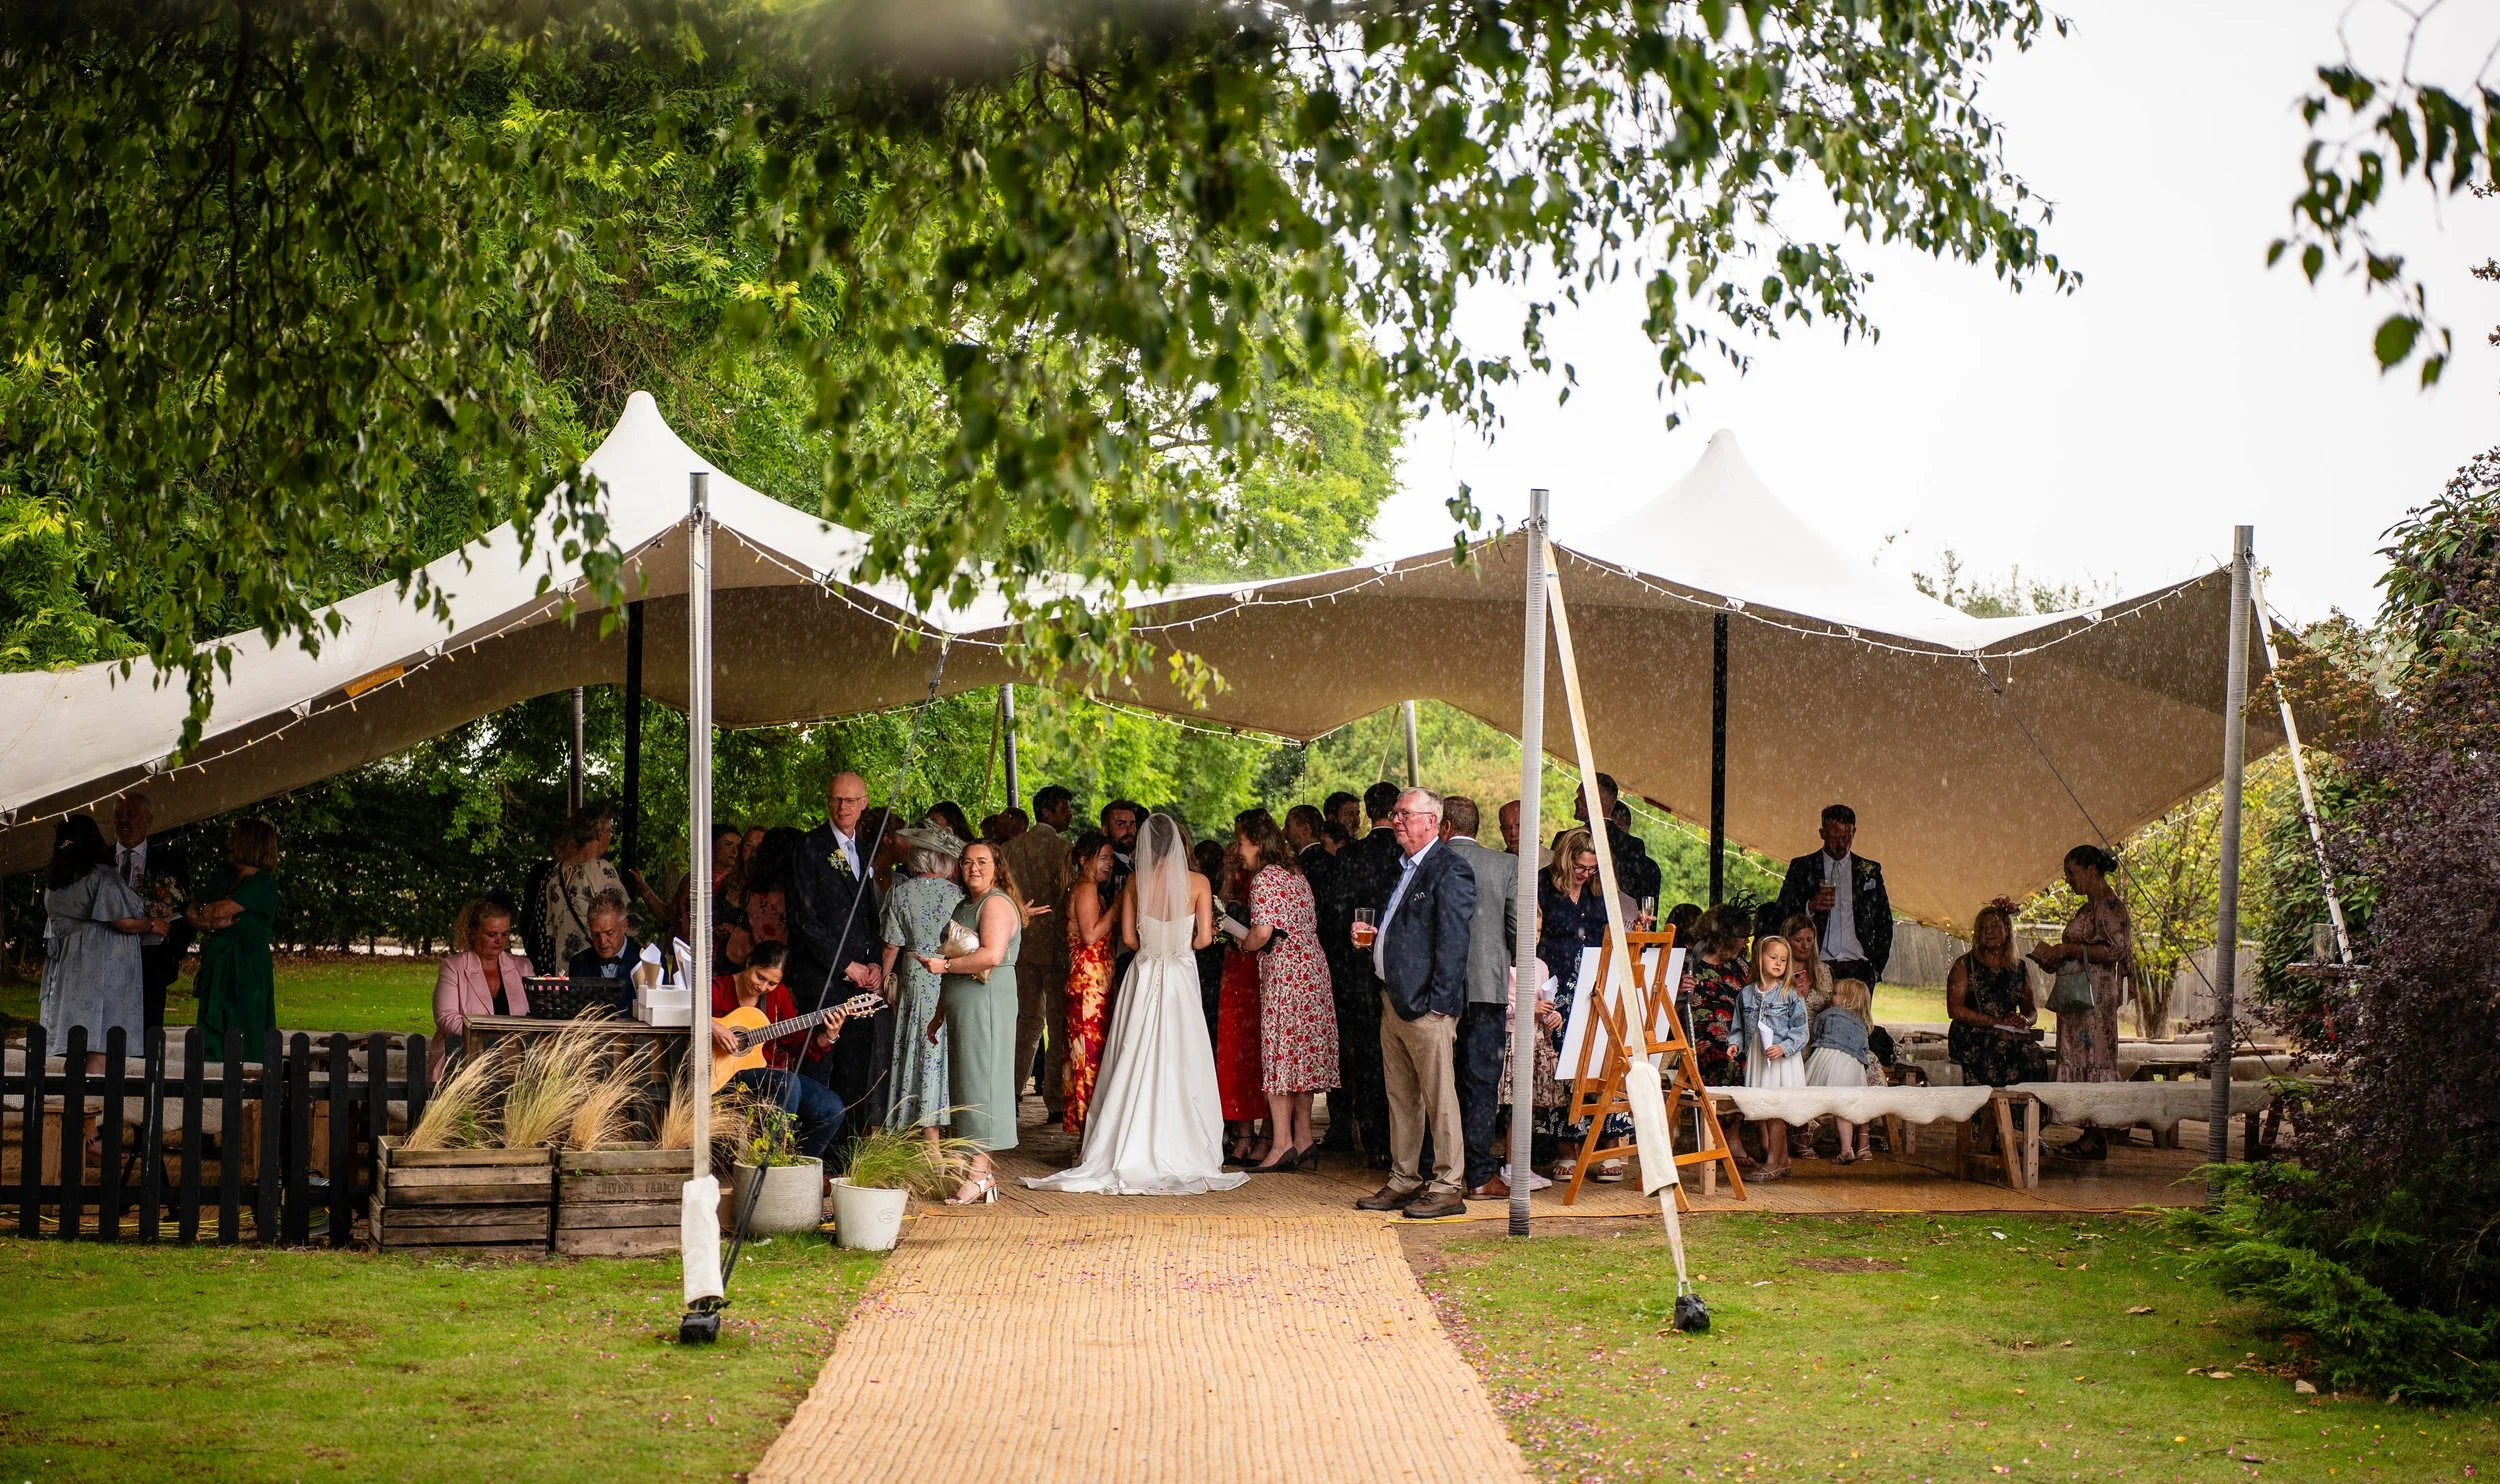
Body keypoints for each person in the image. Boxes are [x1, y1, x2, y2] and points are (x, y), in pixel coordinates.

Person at [1024, 814, 1248, 1197]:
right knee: (1180, 1056)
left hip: (1143, 976)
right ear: (1181, 846)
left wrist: (1155, 941)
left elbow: (1128, 937)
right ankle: (1181, 1140)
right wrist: (1181, 940)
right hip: (1179, 976)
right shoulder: (1198, 883)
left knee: (1133, 1054)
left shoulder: (1134, 882)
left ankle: (1126, 1136)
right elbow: (1204, 941)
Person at [1351, 788, 1477, 1220]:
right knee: (1401, 1097)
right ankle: (1404, 1179)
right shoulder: (1402, 867)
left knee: (1439, 1096)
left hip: (1426, 1007)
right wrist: (1370, 946)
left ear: (1431, 821)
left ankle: (1446, 1186)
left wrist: (1439, 1005)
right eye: (1396, 813)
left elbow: (1455, 943)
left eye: (1405, 813)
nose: (1397, 820)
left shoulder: (1450, 869)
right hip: (1394, 1000)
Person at [1229, 808, 1336, 1172]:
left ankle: (1281, 1144)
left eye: (1242, 842)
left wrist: (1242, 945)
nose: (1239, 850)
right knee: (1302, 1056)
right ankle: (1304, 1140)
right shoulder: (1296, 874)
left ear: (1258, 843)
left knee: (1279, 1054)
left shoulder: (1264, 879)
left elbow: (1261, 933)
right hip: (1312, 967)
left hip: (1285, 971)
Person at [918, 841, 1024, 1204]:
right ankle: (975, 1169)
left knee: (983, 1082)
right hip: (963, 1004)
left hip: (987, 1003)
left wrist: (942, 966)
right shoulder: (966, 904)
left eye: (982, 862)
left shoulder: (995, 903)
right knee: (965, 1084)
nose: (973, 868)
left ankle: (980, 1173)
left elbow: (990, 955)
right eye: (967, 862)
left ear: (997, 866)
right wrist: (940, 1011)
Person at [785, 772, 889, 1133]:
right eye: (835, 800)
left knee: (855, 1072)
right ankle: (807, 1159)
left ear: (864, 803)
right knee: (817, 1072)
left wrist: (875, 961)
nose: (842, 807)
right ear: (827, 802)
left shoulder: (867, 847)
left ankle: (847, 1163)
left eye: (850, 800)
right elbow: (802, 921)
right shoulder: (808, 847)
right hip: (822, 980)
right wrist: (849, 966)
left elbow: (870, 915)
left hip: (861, 987)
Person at [1439, 797, 1519, 1200]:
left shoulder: (1430, 861)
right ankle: (1479, 1174)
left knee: (1438, 1084)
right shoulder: (1505, 865)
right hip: (1487, 988)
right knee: (1482, 1085)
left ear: (1445, 825)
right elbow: (1519, 936)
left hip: (1438, 989)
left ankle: (1437, 1170)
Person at [2034, 845, 2135, 1160]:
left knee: (2094, 1057)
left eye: (2071, 873)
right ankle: (2091, 1134)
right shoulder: (2088, 908)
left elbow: (2116, 951)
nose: (2068, 881)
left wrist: (2070, 951)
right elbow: (2079, 949)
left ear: (2091, 870)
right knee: (2079, 1055)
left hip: (2094, 998)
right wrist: (2052, 957)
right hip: (2078, 995)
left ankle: (2096, 1134)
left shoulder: (2108, 906)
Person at [711, 941, 852, 1166]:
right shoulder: (718, 987)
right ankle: (773, 1164)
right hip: (721, 1077)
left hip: (761, 1075)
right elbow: (687, 1012)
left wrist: (827, 1037)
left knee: (832, 1109)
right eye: (760, 977)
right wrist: (712, 1026)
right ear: (749, 963)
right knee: (787, 1084)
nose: (763, 987)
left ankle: (796, 1169)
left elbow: (794, 1043)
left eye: (772, 983)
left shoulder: (779, 996)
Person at [1326, 780, 1404, 1164]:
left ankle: (1373, 1139)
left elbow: (1337, 911)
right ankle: (1399, 1139)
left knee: (1368, 1054)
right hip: (1400, 969)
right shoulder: (1406, 855)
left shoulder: (1351, 854)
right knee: (1400, 1057)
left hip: (1357, 972)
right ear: (1395, 811)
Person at [41, 815, 153, 1073]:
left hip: (70, 967)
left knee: (78, 1043)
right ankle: (90, 1108)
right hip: (101, 966)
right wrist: (149, 924)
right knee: (100, 1044)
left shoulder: (56, 882)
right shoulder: (101, 876)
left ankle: (71, 1102)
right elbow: (121, 921)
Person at [878, 826, 965, 1134]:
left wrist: (884, 980)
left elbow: (892, 944)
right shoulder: (958, 895)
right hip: (949, 972)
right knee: (940, 1046)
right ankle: (939, 1120)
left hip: (915, 974)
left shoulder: (900, 892)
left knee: (913, 1043)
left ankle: (908, 1118)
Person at [1003, 785, 1077, 1123]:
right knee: (1058, 1024)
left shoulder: (1010, 849)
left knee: (1025, 1022)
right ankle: (1056, 1100)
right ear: (1047, 812)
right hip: (1058, 946)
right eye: (1064, 809)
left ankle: (1011, 1092)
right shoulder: (1066, 851)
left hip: (1020, 944)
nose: (1069, 815)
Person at [1773, 803, 1894, 1001]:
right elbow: (1781, 913)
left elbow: (1884, 921)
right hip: (1817, 963)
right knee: (1814, 1022)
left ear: (1854, 832)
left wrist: (1876, 967)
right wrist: (1809, 906)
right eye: (1835, 838)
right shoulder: (1803, 867)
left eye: (1847, 837)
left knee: (1856, 1026)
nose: (1842, 845)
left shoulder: (1869, 870)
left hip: (1859, 965)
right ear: (1822, 833)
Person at [189, 817, 281, 1065]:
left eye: (235, 838)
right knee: (212, 1029)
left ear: (250, 844)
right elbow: (192, 911)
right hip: (218, 963)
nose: (229, 843)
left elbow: (219, 910)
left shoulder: (263, 883)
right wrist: (210, 920)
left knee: (246, 1025)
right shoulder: (224, 877)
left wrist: (209, 913)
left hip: (247, 967)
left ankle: (246, 1081)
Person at [109, 792, 191, 1033]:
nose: (124, 821)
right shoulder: (100, 860)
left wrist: (171, 955)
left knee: (148, 1034)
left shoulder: (169, 862)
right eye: (118, 815)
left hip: (151, 965)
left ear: (148, 819)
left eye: (131, 815)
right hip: (105, 961)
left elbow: (184, 913)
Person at [1679, 904, 1753, 1164]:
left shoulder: (1741, 964)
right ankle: (1720, 1134)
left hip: (1736, 1031)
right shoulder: (1689, 960)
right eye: (1740, 938)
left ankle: (1732, 1133)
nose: (1744, 943)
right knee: (1729, 1060)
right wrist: (1678, 988)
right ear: (1723, 937)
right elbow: (1663, 1000)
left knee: (1753, 1059)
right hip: (1699, 1034)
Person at [1061, 832, 1122, 1136]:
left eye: (1111, 857)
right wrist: (1118, 906)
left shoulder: (1090, 888)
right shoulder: (1085, 888)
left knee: (1093, 1056)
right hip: (1087, 985)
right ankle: (1087, 1134)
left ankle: (1090, 1132)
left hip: (1094, 982)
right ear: (1085, 860)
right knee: (1088, 1058)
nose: (1109, 864)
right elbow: (1090, 934)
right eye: (1104, 857)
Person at [1948, 903, 2048, 1089]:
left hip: (2009, 1035)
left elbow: (2031, 1010)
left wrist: (2024, 1020)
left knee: (2035, 1056)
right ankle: (1994, 1114)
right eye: (1983, 928)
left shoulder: (2019, 968)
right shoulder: (1964, 965)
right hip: (1972, 1034)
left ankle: (2029, 1116)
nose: (1988, 932)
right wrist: (1994, 1021)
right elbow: (1954, 1009)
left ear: (2007, 930)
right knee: (1998, 1054)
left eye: (1994, 926)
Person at [433, 897, 534, 1076]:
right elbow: (446, 1018)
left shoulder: (522, 967)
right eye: (491, 934)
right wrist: (490, 1038)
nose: (500, 941)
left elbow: (535, 1016)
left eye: (504, 934)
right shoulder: (453, 966)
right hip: (463, 1058)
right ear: (473, 933)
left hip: (514, 1059)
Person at [1210, 848, 1267, 1161]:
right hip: (1235, 967)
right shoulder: (1240, 876)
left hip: (1259, 965)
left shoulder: (1272, 877)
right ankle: (1244, 1132)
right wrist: (1230, 876)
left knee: (1265, 1052)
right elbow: (1220, 910)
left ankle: (1271, 1135)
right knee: (1235, 1053)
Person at [537, 808, 639, 975]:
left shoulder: (557, 872)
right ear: (599, 834)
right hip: (593, 970)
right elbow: (630, 924)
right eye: (610, 831)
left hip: (564, 970)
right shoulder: (600, 869)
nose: (610, 837)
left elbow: (551, 928)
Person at [1738, 934, 1807, 1180]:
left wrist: (1784, 1048)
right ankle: (1783, 1159)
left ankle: (1772, 1163)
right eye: (1773, 957)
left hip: (1780, 1059)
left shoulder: (1790, 994)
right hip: (1760, 1057)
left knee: (1775, 1109)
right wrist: (1735, 1045)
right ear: (1759, 958)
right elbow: (1738, 1027)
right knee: (1765, 1109)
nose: (1779, 963)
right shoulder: (1747, 994)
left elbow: (1801, 1032)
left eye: (1784, 960)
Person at [1806, 979, 1881, 1162]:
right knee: (1844, 1109)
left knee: (1806, 1096)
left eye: (1836, 994)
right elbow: (1864, 1049)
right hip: (1852, 1067)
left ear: (1848, 1000)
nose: (1832, 997)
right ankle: (1846, 1148)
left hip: (1826, 1061)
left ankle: (1802, 1138)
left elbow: (1816, 1031)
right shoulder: (1862, 1024)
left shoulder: (1830, 1013)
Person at [1573, 773, 1661, 907]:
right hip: (1626, 925)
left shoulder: (1570, 840)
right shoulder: (1634, 848)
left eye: (1579, 796)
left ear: (1591, 799)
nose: (1575, 801)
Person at [672, 824, 744, 949]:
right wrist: (643, 887)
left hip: (717, 956)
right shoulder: (691, 878)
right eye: (728, 844)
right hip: (684, 950)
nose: (734, 851)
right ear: (712, 846)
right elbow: (668, 915)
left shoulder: (739, 883)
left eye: (738, 847)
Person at [567, 890, 641, 981]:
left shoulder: (646, 962)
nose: (602, 941)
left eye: (609, 933)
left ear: (624, 926)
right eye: (595, 934)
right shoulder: (578, 962)